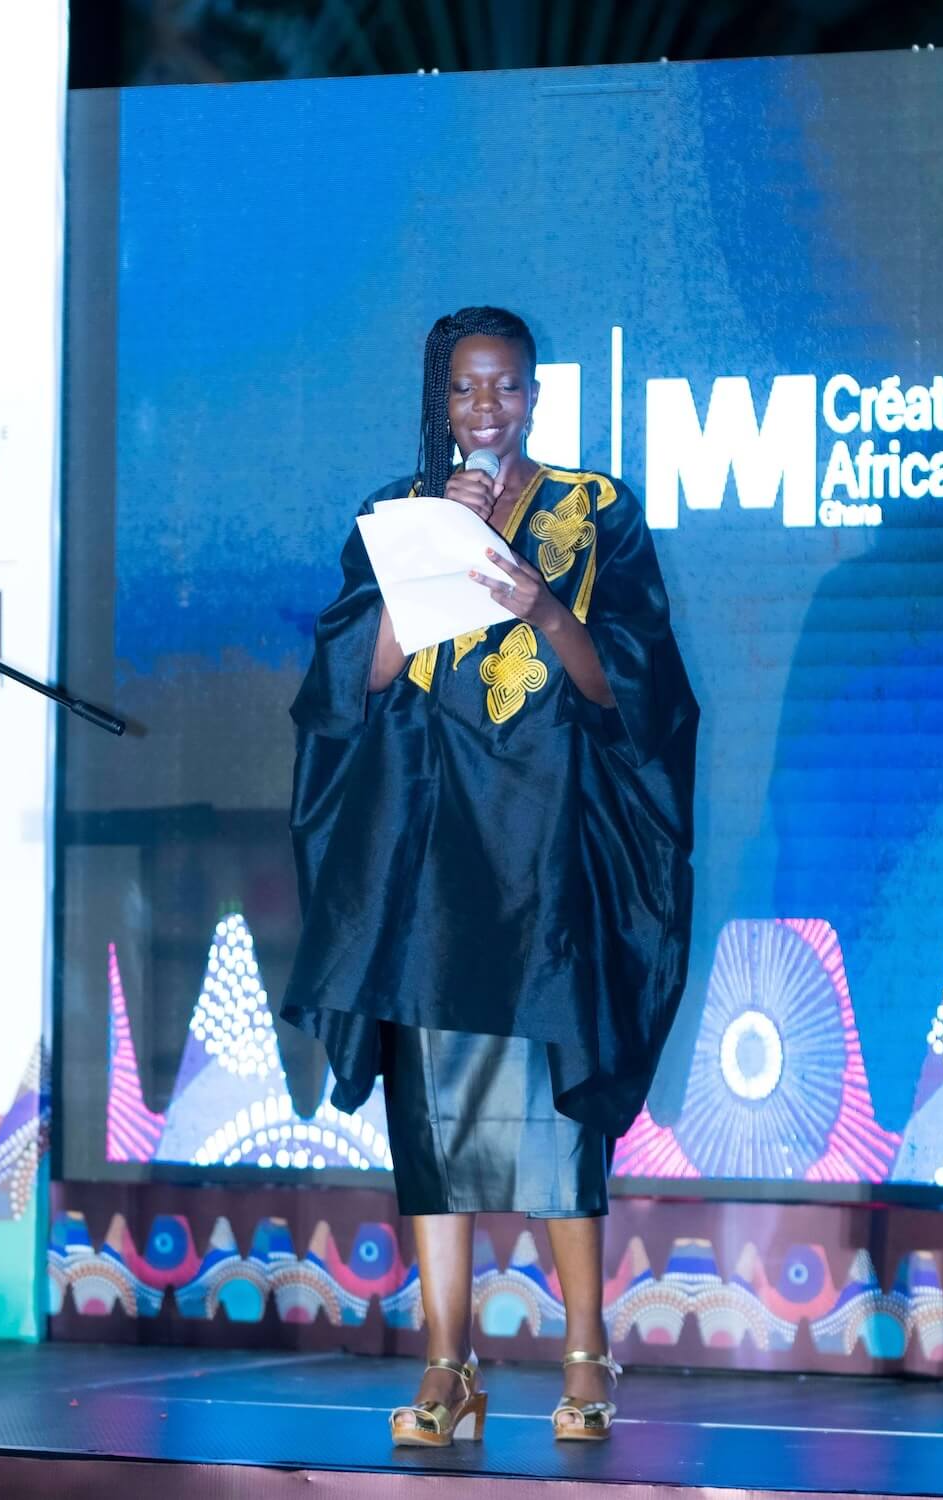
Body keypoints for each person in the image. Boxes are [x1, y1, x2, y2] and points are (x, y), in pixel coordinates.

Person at [281, 306, 697, 1445]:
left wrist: (541, 604)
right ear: (442, 399)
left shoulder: (598, 511)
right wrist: (437, 558)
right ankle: (446, 1366)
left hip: (546, 853)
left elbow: (636, 691)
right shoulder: (396, 515)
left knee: (556, 1115)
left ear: (534, 394)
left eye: (505, 386)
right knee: (433, 1120)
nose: (485, 409)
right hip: (430, 859)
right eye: (466, 389)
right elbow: (349, 684)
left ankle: (585, 1356)